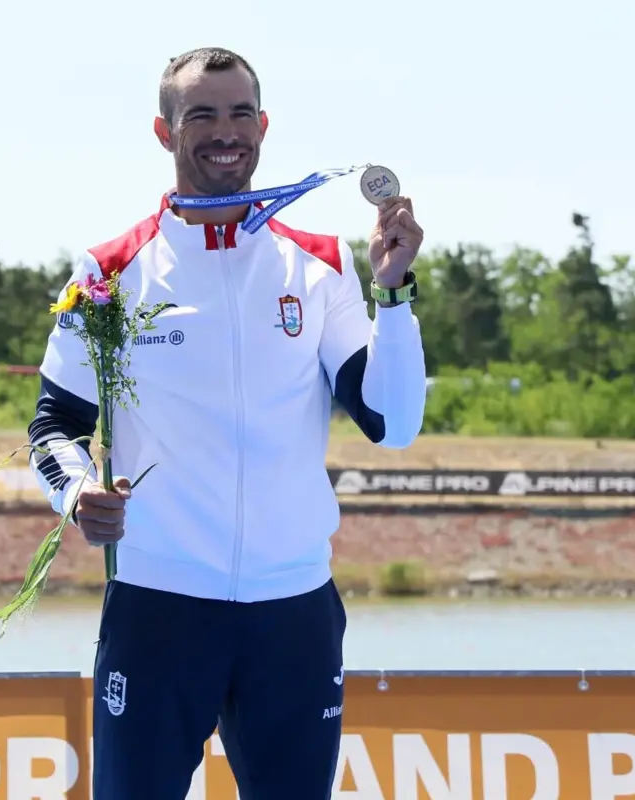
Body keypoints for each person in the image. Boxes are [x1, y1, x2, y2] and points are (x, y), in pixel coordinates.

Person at [28, 46, 427, 799]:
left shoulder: (322, 264)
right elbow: (52, 427)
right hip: (159, 610)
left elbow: (392, 421)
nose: (224, 132)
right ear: (163, 130)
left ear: (264, 125)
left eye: (240, 113)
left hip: (294, 613)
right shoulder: (109, 270)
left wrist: (395, 292)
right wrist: (77, 494)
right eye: (201, 114)